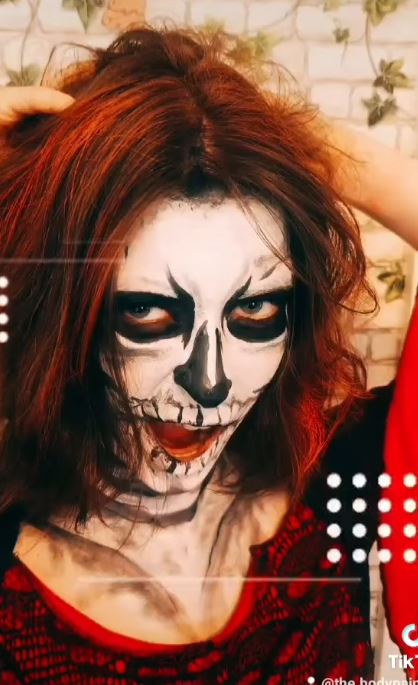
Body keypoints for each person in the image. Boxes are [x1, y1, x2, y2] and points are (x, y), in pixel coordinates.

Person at [0, 26, 416, 684]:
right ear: (62, 315)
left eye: (255, 312)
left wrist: (311, 149)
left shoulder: (329, 480)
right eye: (148, 312)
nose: (210, 382)